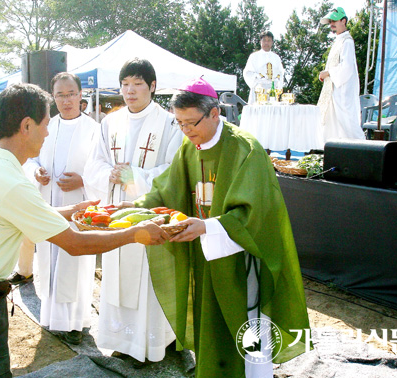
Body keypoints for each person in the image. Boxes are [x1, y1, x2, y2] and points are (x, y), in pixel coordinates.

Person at [0, 83, 169, 378]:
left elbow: (28, 213)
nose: (48, 132)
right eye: (44, 124)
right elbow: (75, 244)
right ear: (27, 126)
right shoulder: (10, 182)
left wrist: (77, 210)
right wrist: (136, 233)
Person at [131, 77, 311, 377]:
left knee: (244, 328)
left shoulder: (245, 149)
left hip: (239, 255)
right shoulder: (190, 148)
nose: (186, 132)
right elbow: (165, 190)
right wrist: (133, 209)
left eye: (191, 123)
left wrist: (208, 227)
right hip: (204, 256)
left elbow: (258, 213)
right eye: (180, 124)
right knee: (210, 325)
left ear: (214, 113)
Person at [84, 58, 183, 366]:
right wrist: (108, 176)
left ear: (152, 87)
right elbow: (94, 164)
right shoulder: (110, 122)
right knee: (116, 274)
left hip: (148, 213)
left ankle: (151, 343)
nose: (130, 91)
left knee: (148, 278)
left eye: (138, 84)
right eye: (125, 84)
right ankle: (121, 340)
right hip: (116, 211)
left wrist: (135, 178)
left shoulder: (169, 123)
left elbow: (175, 170)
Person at [21, 72, 99, 345]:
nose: (66, 100)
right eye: (60, 95)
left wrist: (82, 180)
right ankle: (52, 317)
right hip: (48, 203)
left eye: (70, 94)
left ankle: (76, 321)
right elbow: (29, 159)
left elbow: (101, 169)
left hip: (78, 204)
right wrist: (36, 172)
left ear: (80, 95)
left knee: (74, 263)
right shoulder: (46, 126)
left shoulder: (94, 129)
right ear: (52, 98)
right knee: (48, 260)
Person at [318, 6, 365, 141]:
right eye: (330, 22)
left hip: (342, 90)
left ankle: (362, 152)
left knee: (348, 123)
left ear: (343, 21)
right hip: (333, 90)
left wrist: (328, 73)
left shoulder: (347, 41)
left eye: (334, 21)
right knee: (331, 122)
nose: (332, 24)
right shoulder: (338, 41)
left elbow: (347, 67)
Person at [243, 31, 285, 104]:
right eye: (264, 40)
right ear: (260, 42)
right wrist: (258, 77)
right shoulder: (254, 56)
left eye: (269, 40)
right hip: (259, 89)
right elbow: (247, 72)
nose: (266, 43)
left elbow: (281, 73)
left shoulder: (276, 57)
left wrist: (279, 87)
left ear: (272, 42)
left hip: (272, 90)